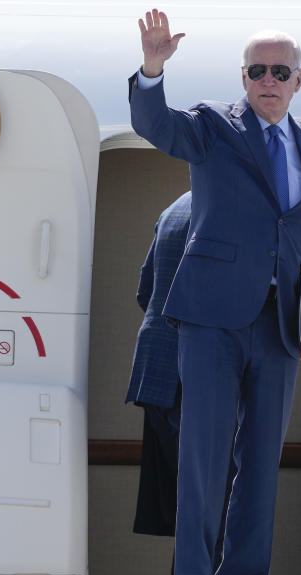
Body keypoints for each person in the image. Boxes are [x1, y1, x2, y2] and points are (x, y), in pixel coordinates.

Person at [130, 9, 301, 575]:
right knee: (203, 456)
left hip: (279, 328)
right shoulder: (213, 127)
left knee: (261, 463)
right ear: (243, 77)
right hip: (210, 320)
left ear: (299, 79)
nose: (267, 81)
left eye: (279, 71)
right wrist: (152, 69)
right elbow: (157, 125)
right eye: (256, 71)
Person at [126, 192, 192, 540]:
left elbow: (144, 291)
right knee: (202, 505)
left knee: (182, 505)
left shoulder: (174, 207)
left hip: (156, 368)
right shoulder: (226, 207)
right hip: (191, 371)